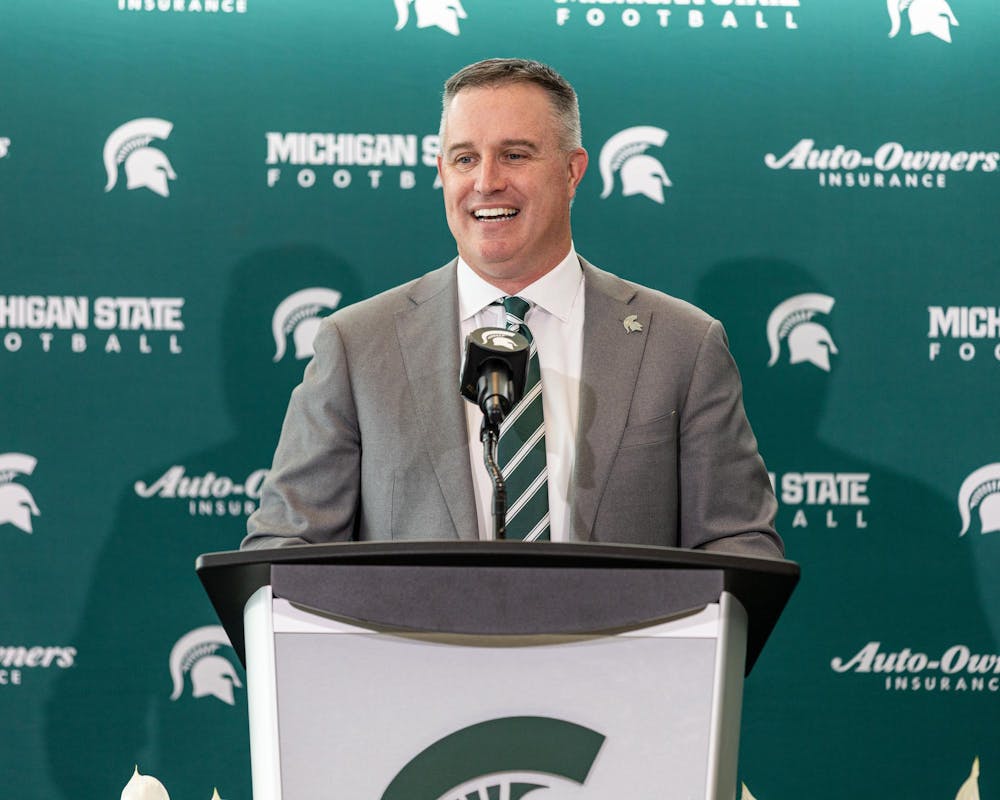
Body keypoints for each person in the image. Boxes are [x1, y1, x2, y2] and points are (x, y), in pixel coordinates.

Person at [242, 58, 783, 558]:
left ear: (572, 172)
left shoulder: (681, 345)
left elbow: (738, 544)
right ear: (442, 172)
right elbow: (285, 548)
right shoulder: (358, 344)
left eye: (515, 155)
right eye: (464, 159)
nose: (486, 182)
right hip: (419, 660)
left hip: (613, 661)